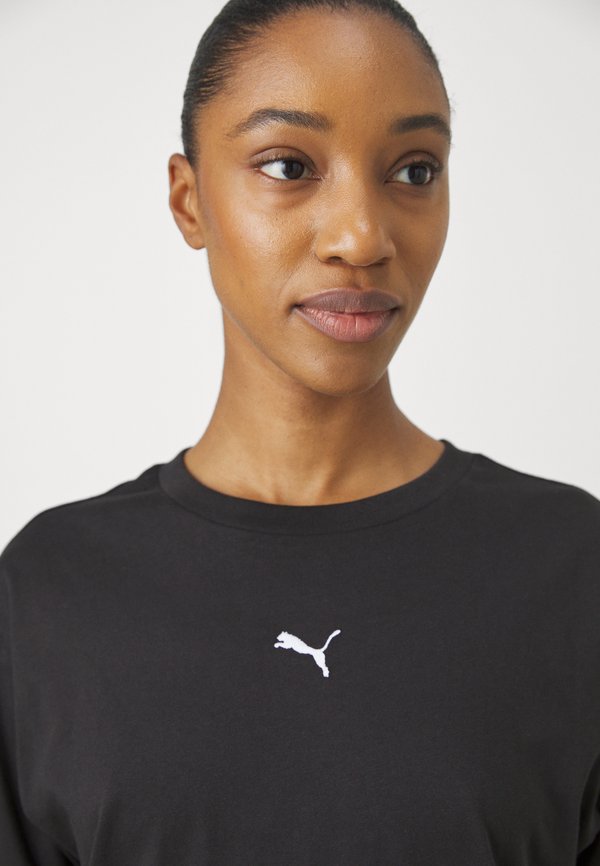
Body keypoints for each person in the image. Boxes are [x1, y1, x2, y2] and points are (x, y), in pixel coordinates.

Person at [1, 0, 599, 863]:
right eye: (288, 165)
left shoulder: (570, 569)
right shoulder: (50, 596)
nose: (361, 237)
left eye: (415, 171)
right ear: (189, 201)